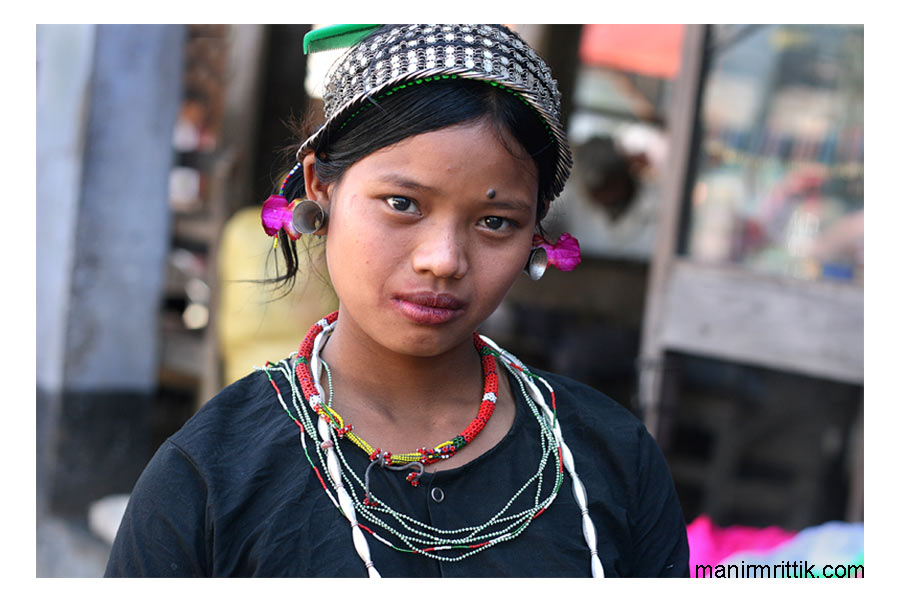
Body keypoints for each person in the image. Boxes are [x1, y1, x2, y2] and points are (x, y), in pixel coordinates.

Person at [105, 24, 689, 578]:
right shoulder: (206, 479)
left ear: (537, 232)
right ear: (320, 187)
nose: (443, 259)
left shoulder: (615, 460)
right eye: (402, 204)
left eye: (495, 221)